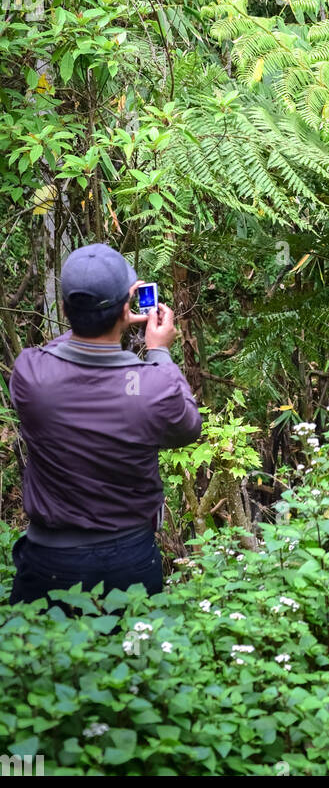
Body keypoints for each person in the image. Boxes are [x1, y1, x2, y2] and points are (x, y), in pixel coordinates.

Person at [7, 243, 202, 605]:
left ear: (65, 308)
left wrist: (97, 319)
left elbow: (63, 355)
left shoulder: (30, 373)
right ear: (128, 308)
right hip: (129, 559)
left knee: (42, 660)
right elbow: (189, 427)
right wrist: (159, 349)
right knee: (131, 657)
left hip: (49, 560)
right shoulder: (151, 385)